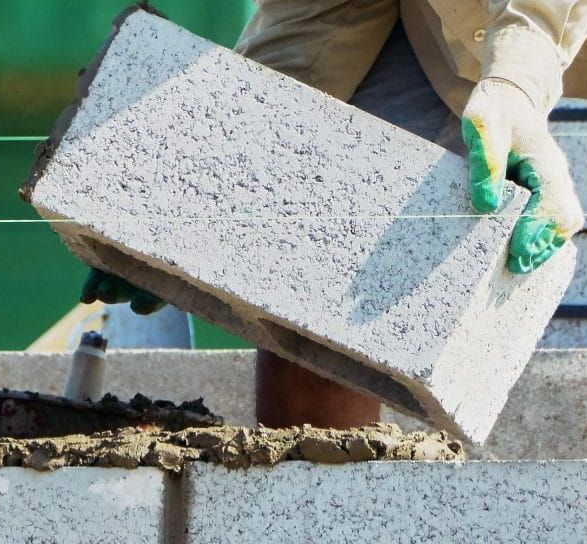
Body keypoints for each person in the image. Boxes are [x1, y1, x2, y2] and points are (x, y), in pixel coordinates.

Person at [81, 0, 587, 429]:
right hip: (436, 23)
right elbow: (314, 25)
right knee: (319, 249)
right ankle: (314, 498)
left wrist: (517, 89)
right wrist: (217, 180)